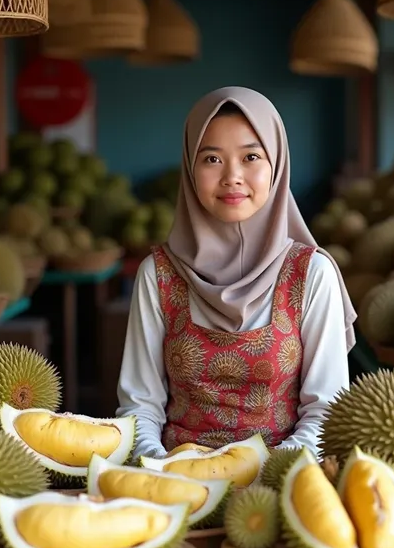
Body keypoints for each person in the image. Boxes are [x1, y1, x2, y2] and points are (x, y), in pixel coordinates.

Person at [116, 86, 356, 461]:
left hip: (280, 483)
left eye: (251, 157)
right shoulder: (159, 275)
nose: (232, 176)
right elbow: (140, 407)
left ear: (276, 164)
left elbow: (325, 410)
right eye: (211, 158)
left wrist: (266, 470)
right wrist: (161, 466)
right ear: (189, 167)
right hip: (177, 482)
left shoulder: (311, 274)